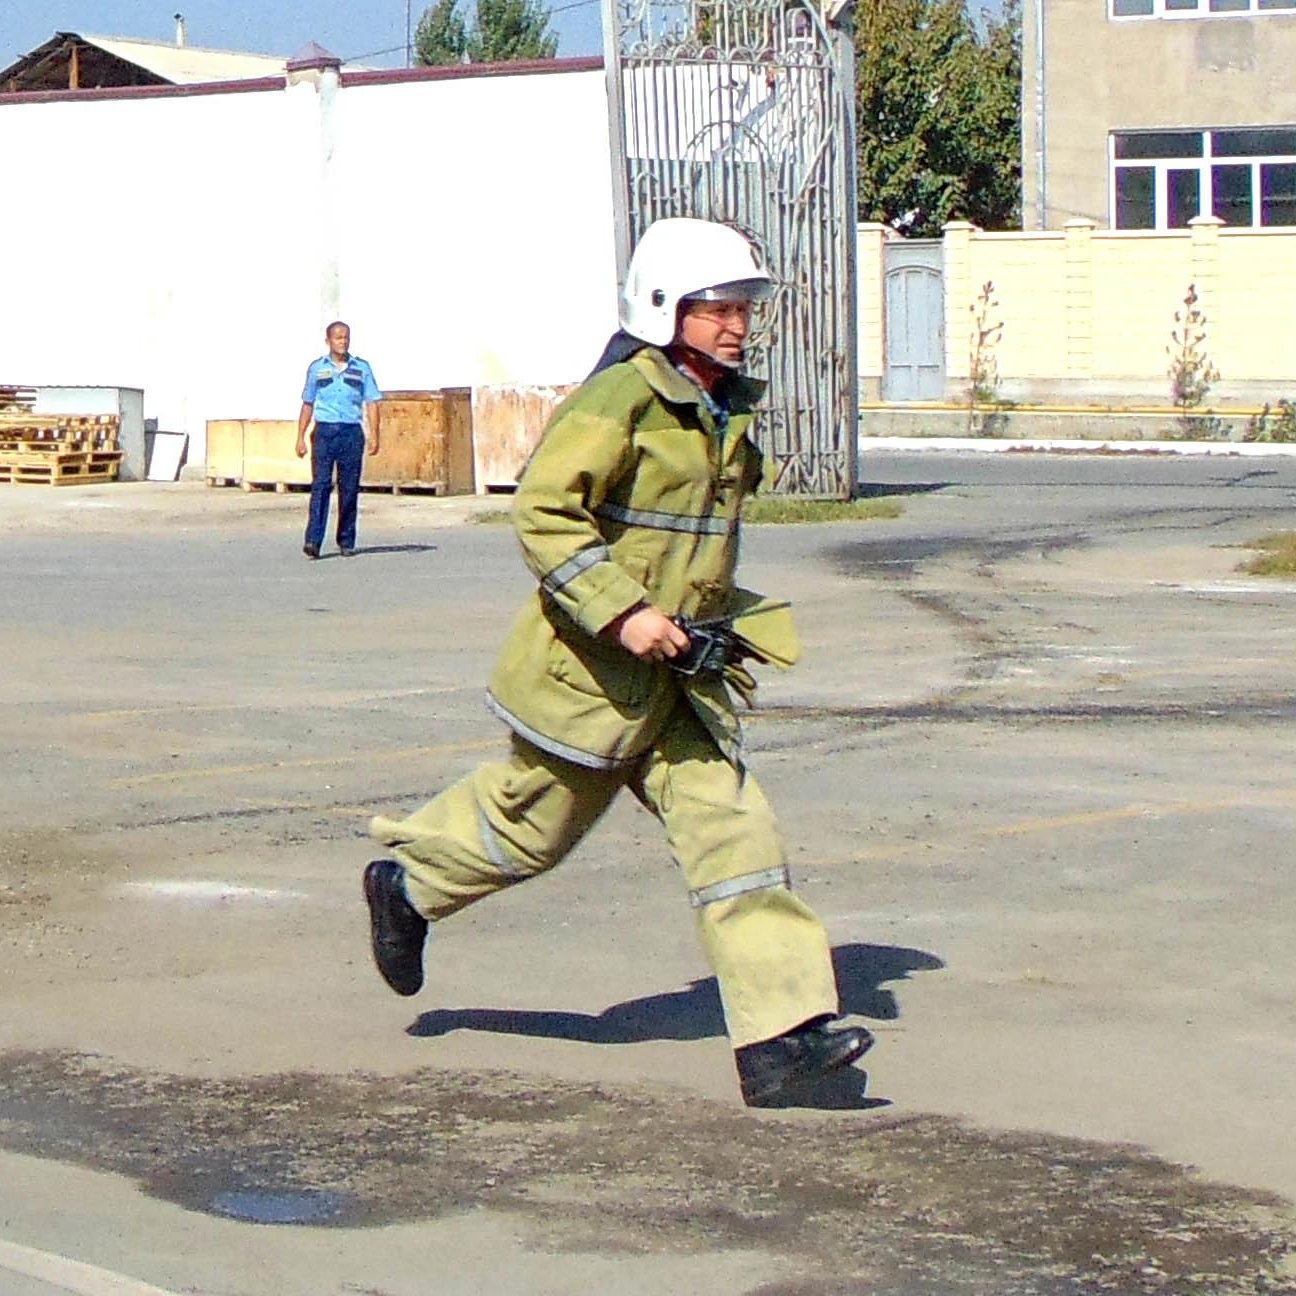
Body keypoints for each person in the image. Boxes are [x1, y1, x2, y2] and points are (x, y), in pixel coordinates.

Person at [353, 217, 875, 1109]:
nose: (738, 323)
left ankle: (780, 1041)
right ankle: (408, 885)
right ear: (666, 307)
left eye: (745, 306)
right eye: (718, 307)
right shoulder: (620, 399)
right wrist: (625, 611)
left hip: (680, 680)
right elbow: (546, 514)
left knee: (736, 837)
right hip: (593, 676)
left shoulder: (719, 404)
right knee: (530, 830)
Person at [298, 321, 376, 559]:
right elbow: (308, 402)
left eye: (346, 337)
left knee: (349, 488)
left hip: (351, 432)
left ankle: (346, 540)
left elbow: (371, 402)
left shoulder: (361, 368)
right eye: (338, 337)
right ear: (328, 341)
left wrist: (374, 435)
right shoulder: (316, 369)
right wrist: (300, 436)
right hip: (324, 432)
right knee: (321, 485)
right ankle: (313, 540)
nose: (342, 341)